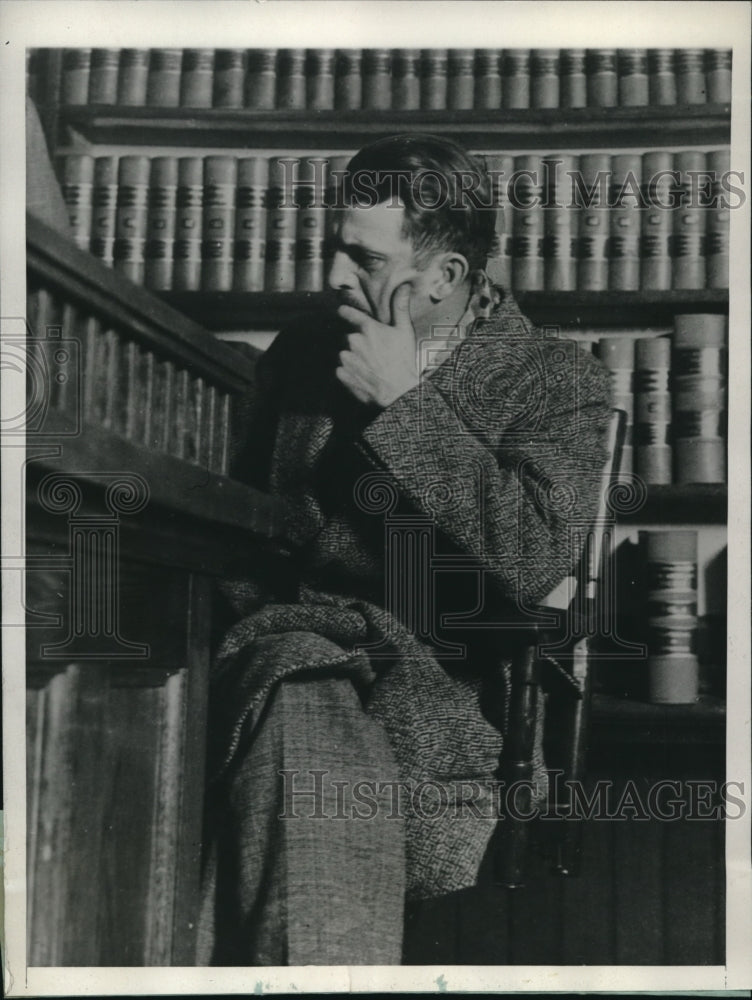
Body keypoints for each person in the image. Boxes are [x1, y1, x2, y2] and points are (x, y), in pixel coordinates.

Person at [197, 134, 612, 967]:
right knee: (294, 682)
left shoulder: (558, 380)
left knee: (290, 735)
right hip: (278, 645)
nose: (333, 279)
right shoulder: (305, 352)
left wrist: (403, 402)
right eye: (335, 251)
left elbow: (530, 560)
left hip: (437, 691)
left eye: (362, 258)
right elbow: (243, 529)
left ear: (447, 277)